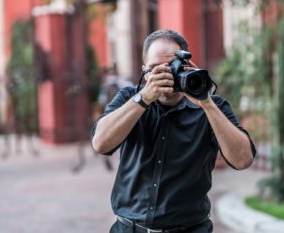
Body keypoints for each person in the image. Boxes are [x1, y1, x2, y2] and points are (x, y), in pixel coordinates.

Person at [91, 29, 256, 233]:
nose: (164, 75)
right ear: (144, 70)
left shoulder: (213, 107)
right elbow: (100, 143)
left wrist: (206, 103)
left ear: (185, 66)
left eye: (170, 67)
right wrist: (143, 99)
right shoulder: (129, 97)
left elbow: (243, 160)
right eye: (155, 69)